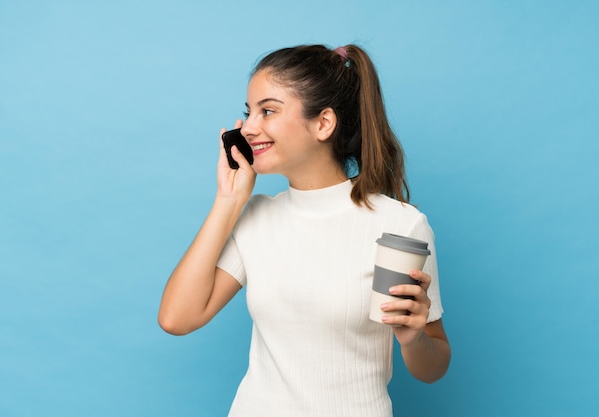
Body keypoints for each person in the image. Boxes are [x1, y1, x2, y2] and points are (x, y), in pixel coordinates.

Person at [158, 44, 451, 417]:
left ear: (323, 123)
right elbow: (176, 318)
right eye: (248, 113)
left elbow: (433, 367)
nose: (248, 127)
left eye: (268, 111)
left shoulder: (398, 224)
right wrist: (228, 200)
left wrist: (412, 341)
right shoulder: (256, 216)